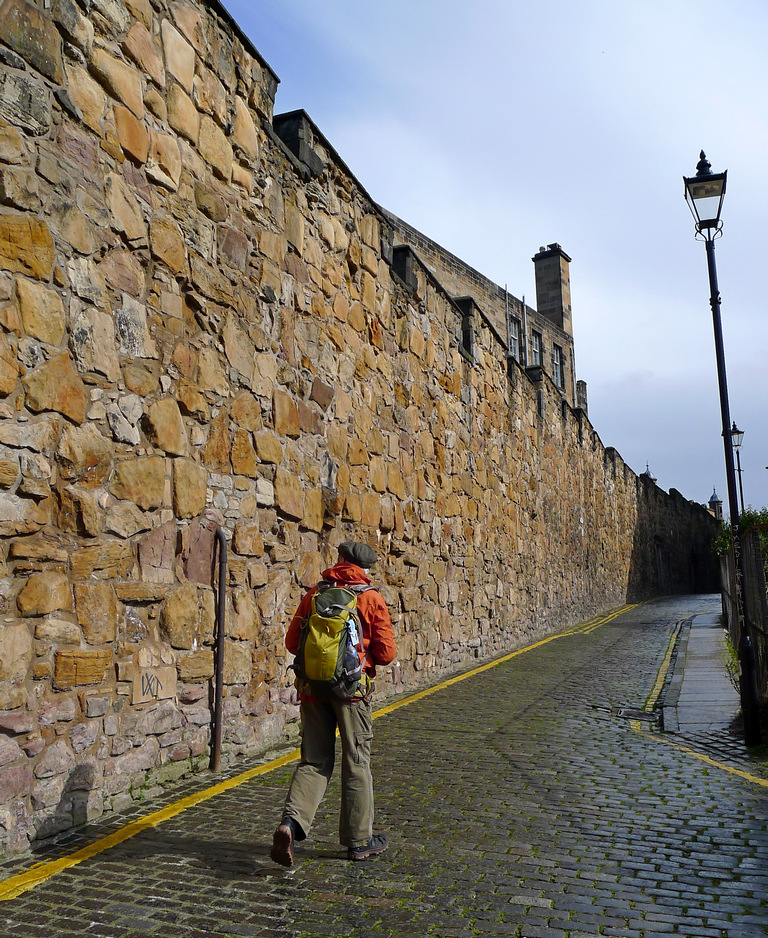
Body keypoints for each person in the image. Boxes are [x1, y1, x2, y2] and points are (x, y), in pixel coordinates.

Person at [270, 540, 396, 866]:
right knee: (356, 761)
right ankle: (359, 841)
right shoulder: (370, 598)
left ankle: (290, 825)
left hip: (312, 690)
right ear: (365, 568)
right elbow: (385, 654)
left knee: (314, 760)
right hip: (352, 694)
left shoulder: (315, 594)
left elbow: (291, 642)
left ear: (339, 560)